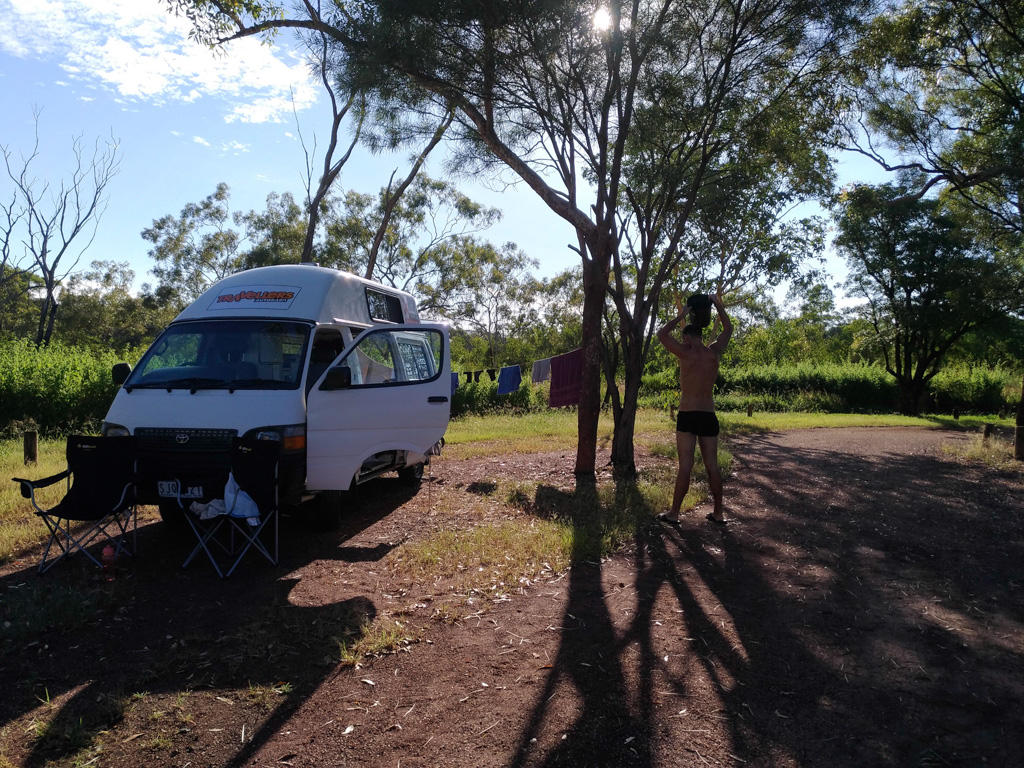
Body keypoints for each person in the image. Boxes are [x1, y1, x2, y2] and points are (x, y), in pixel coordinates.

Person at [655, 292, 733, 524]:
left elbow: (661, 334)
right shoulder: (714, 353)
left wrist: (683, 313)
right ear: (701, 335)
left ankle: (674, 513)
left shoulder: (684, 353)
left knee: (685, 467)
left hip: (688, 415)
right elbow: (727, 329)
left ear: (687, 337)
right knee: (712, 465)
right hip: (708, 415)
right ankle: (718, 513)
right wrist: (718, 305)